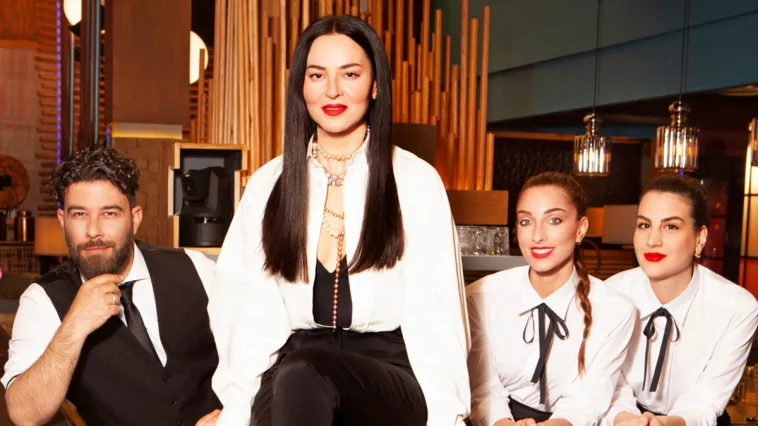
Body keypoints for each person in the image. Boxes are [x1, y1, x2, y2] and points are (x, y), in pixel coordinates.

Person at [196, 14, 470, 426]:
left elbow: (437, 312)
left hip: (389, 372)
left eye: (350, 74)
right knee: (296, 376)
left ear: (375, 85)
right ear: (301, 86)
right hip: (292, 370)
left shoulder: (415, 180)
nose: (333, 90)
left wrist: (446, 417)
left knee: (304, 372)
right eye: (317, 75)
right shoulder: (269, 183)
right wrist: (235, 411)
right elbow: (245, 309)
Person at [2, 144, 222, 425]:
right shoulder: (42, 300)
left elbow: (258, 347)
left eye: (109, 213)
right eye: (79, 214)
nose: (93, 231)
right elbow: (23, 414)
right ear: (62, 220)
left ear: (135, 219)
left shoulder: (194, 267)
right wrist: (73, 327)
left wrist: (234, 414)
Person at [467, 171, 637, 426]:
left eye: (554, 220)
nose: (537, 236)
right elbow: (483, 388)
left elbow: (587, 400)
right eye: (526, 221)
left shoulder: (615, 309)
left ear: (580, 229)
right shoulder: (481, 296)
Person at [603, 175, 758, 426]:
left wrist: (666, 423)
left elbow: (707, 401)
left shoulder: (737, 308)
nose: (652, 240)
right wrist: (627, 419)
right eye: (644, 225)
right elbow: (609, 383)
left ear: (701, 237)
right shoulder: (610, 294)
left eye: (671, 227)